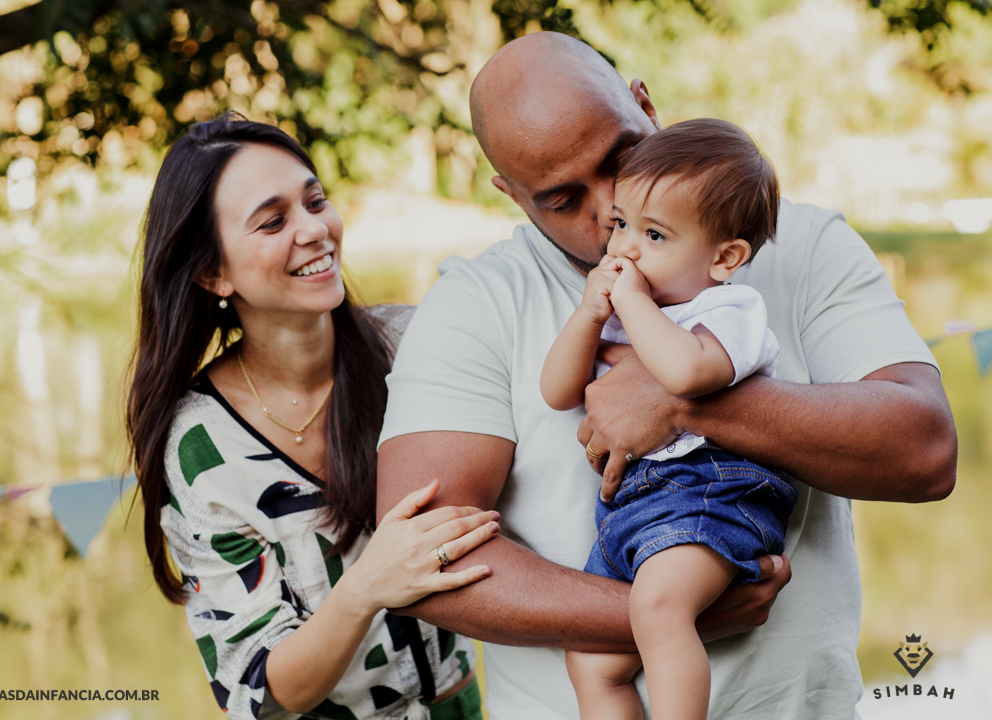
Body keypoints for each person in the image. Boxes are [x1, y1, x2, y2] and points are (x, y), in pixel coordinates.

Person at [375, 32, 956, 720]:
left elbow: (925, 453)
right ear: (510, 193)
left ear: (645, 104)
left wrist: (688, 408)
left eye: (621, 159)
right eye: (562, 199)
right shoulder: (475, 302)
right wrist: (664, 616)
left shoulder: (800, 245)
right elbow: (423, 558)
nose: (609, 216)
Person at [126, 114, 499, 720]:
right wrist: (367, 586)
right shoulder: (200, 447)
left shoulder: (414, 347)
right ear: (212, 273)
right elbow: (261, 694)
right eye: (273, 221)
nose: (314, 230)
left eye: (315, 201)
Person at [543, 119, 796, 720]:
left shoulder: (730, 309)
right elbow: (558, 392)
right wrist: (586, 315)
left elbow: (687, 375)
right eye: (622, 224)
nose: (625, 247)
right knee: (591, 659)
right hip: (629, 510)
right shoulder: (627, 310)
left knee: (659, 611)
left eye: (654, 235)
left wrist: (627, 302)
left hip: (711, 492)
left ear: (724, 257)